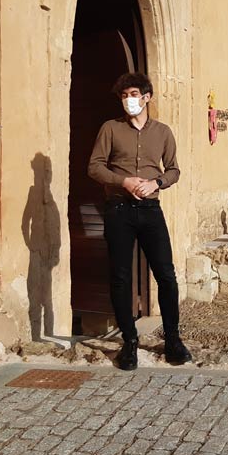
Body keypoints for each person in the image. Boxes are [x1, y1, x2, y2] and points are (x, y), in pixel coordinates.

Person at [87, 72, 192, 370]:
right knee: (120, 277)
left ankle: (172, 339)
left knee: (166, 275)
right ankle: (129, 342)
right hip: (118, 209)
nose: (128, 100)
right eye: (123, 95)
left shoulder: (163, 132)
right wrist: (124, 181)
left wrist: (156, 183)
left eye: (133, 93)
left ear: (147, 97)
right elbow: (94, 167)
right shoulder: (110, 128)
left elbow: (174, 170)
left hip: (150, 210)